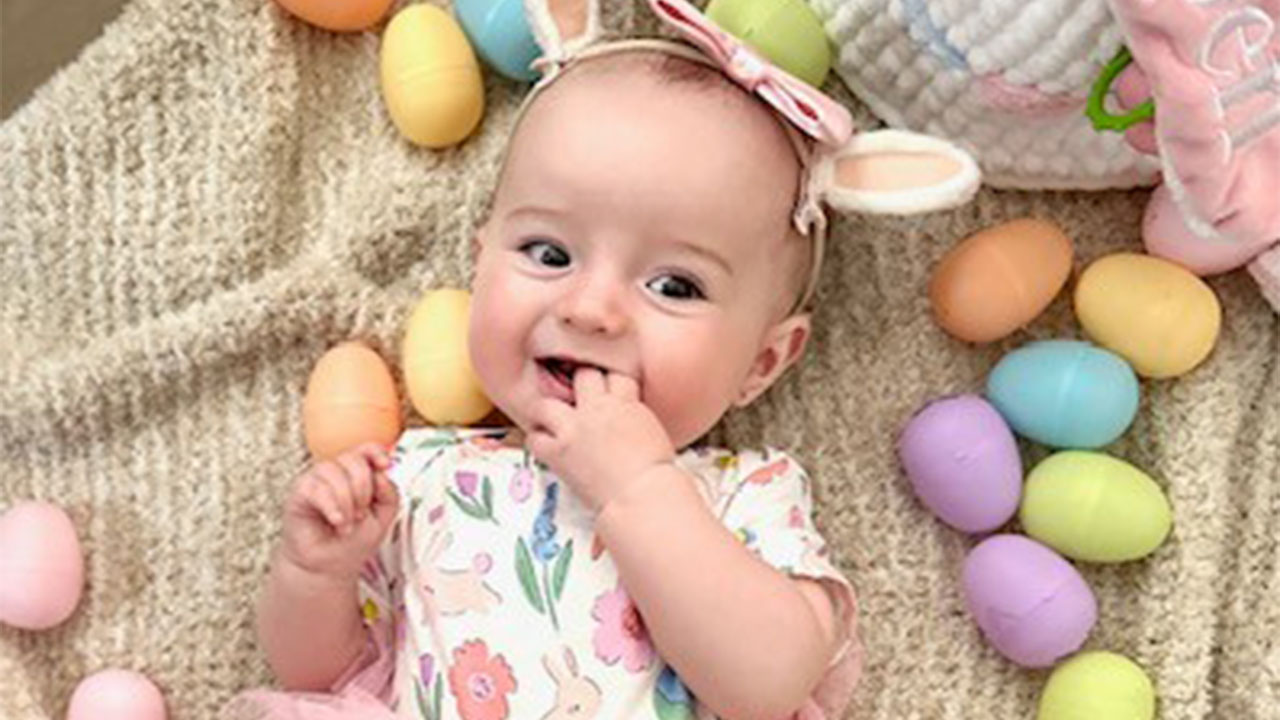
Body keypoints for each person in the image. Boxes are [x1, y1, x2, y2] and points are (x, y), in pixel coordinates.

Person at [226, 1, 979, 718]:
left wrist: (639, 485)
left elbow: (770, 682)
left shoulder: (742, 499)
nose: (590, 309)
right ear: (480, 262)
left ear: (763, 361)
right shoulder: (420, 478)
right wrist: (316, 573)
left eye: (674, 286)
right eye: (549, 253)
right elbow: (321, 677)